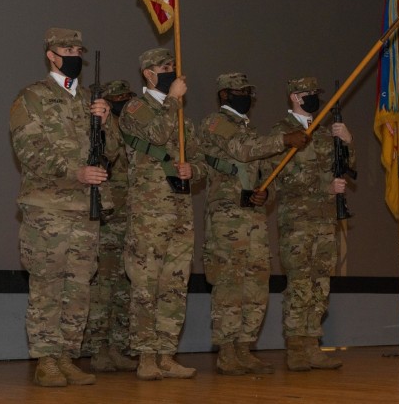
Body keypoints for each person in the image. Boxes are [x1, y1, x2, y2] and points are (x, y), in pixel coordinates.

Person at [9, 27, 120, 387]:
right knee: (48, 284)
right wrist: (75, 173)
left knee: (79, 285)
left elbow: (114, 152)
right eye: (66, 48)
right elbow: (30, 151)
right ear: (51, 55)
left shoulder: (90, 98)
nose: (73, 54)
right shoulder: (32, 97)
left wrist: (106, 123)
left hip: (84, 209)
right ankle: (46, 359)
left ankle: (68, 355)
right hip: (48, 209)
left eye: (77, 48)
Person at [198, 72, 309, 376]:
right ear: (225, 95)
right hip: (227, 217)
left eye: (249, 91)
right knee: (230, 284)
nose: (246, 95)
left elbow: (265, 173)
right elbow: (242, 151)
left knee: (257, 285)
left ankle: (245, 348)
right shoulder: (214, 122)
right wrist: (285, 139)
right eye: (240, 91)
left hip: (254, 218)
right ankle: (227, 351)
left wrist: (266, 194)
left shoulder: (251, 129)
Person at [119, 48, 205, 381]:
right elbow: (154, 135)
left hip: (181, 211)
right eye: (162, 67)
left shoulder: (181, 115)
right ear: (147, 74)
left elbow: (201, 162)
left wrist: (192, 170)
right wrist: (172, 99)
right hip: (149, 213)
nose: (169, 71)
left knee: (174, 286)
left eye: (172, 66)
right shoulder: (135, 108)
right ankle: (145, 356)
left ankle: (167, 354)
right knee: (145, 286)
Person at [271, 77, 354, 371]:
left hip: (325, 220)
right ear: (294, 96)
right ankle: (296, 347)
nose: (314, 98)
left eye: (316, 93)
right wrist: (324, 187)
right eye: (308, 93)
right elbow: (281, 179)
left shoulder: (322, 133)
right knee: (300, 284)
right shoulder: (283, 133)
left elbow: (345, 168)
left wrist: (346, 142)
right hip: (297, 221)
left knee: (320, 284)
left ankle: (312, 345)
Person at [81, 80, 138, 372]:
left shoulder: (130, 131)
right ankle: (98, 348)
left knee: (123, 287)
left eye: (127, 98)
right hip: (107, 217)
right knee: (102, 285)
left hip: (130, 217)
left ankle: (117, 346)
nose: (123, 103)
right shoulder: (98, 131)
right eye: (117, 99)